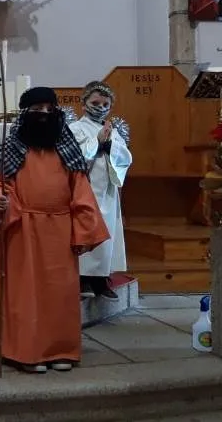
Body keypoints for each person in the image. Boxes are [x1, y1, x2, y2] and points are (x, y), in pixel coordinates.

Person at [0, 87, 108, 374]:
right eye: (37, 110)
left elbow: (82, 193)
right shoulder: (12, 150)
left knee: (59, 294)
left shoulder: (69, 152)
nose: (44, 116)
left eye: (49, 110)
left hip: (60, 232)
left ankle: (60, 349)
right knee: (24, 295)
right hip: (21, 230)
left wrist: (83, 230)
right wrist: (0, 200)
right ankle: (26, 351)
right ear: (25, 115)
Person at [69, 81, 133, 299]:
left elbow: (125, 158)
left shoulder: (112, 130)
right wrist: (96, 143)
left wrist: (110, 147)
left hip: (107, 191)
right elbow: (74, 157)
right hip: (85, 189)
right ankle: (82, 278)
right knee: (87, 232)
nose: (101, 107)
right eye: (95, 103)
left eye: (105, 104)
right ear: (84, 104)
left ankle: (100, 279)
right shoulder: (75, 129)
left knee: (107, 235)